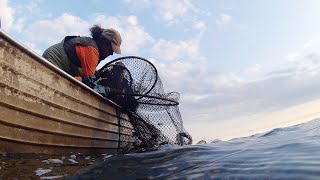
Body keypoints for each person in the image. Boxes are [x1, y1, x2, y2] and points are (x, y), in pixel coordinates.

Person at [42, 25, 122, 82]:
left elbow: (86, 72)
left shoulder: (90, 46)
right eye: (111, 50)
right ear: (104, 42)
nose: (111, 54)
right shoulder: (91, 49)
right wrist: (108, 90)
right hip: (50, 64)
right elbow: (89, 82)